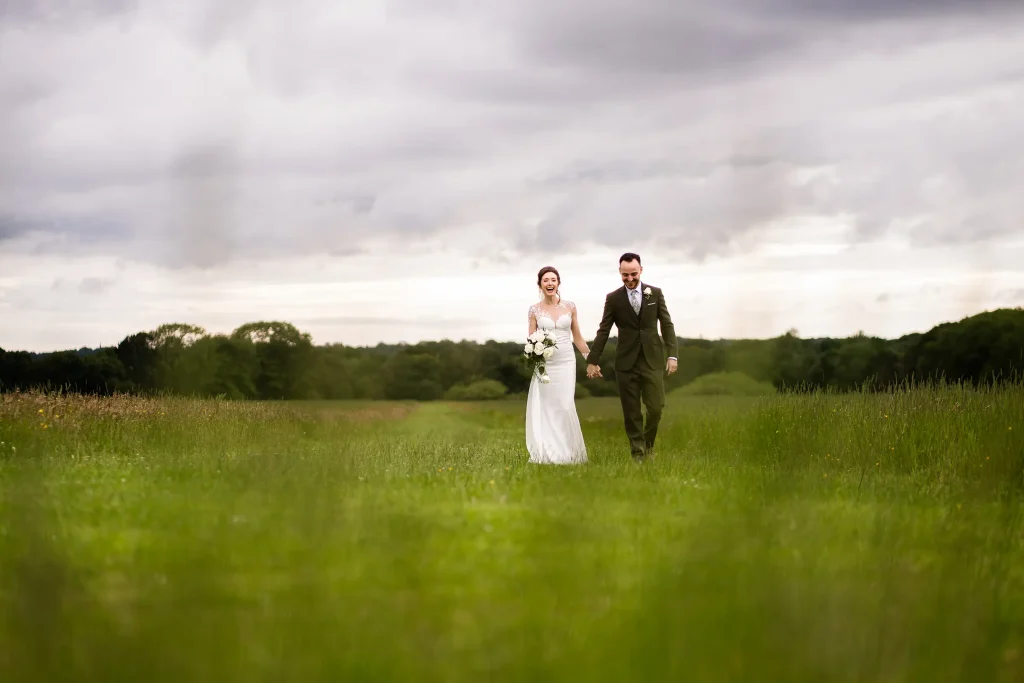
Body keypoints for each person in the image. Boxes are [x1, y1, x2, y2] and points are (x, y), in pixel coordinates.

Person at [586, 252, 677, 461]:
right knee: (631, 411)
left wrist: (673, 355)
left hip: (652, 359)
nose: (629, 279)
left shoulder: (655, 293)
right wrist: (593, 360)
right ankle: (638, 453)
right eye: (625, 275)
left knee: (656, 407)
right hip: (626, 363)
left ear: (641, 270)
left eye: (633, 274)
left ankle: (648, 445)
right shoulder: (613, 298)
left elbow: (667, 324)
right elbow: (604, 330)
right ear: (620, 272)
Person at [524, 266, 591, 464]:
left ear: (558, 283)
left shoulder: (570, 307)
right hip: (545, 364)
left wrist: (590, 359)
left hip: (566, 362)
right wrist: (534, 355)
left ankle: (569, 453)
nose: (550, 283)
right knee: (547, 406)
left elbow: (577, 337)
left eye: (553, 280)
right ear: (540, 285)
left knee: (565, 405)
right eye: (546, 280)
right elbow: (530, 339)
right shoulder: (534, 310)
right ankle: (550, 452)